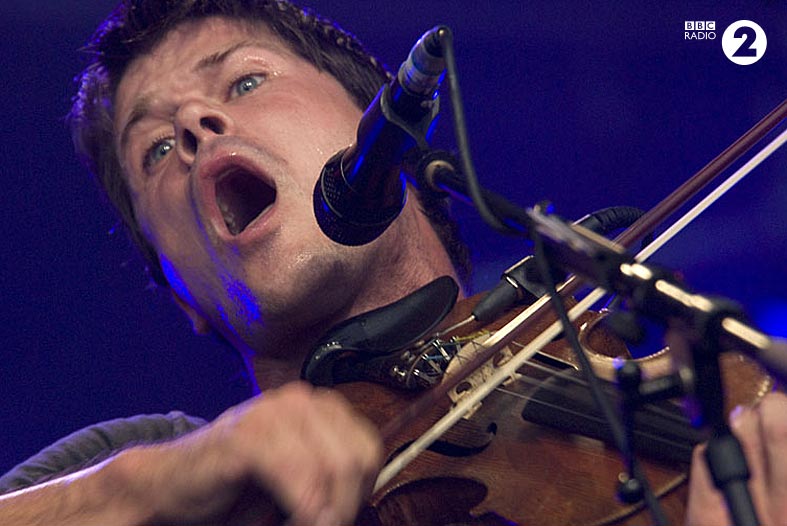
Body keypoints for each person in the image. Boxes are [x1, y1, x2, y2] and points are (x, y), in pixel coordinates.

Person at [0, 1, 784, 525]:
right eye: (154, 149)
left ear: (384, 129)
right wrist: (159, 481)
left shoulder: (581, 339)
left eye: (245, 80)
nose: (197, 124)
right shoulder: (146, 471)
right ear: (180, 296)